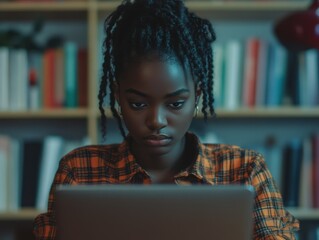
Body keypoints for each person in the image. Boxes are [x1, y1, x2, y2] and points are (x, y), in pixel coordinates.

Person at [33, 0, 300, 239]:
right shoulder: (79, 171)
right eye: (137, 104)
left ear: (197, 96)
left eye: (175, 104)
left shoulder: (245, 171)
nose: (157, 120)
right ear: (117, 97)